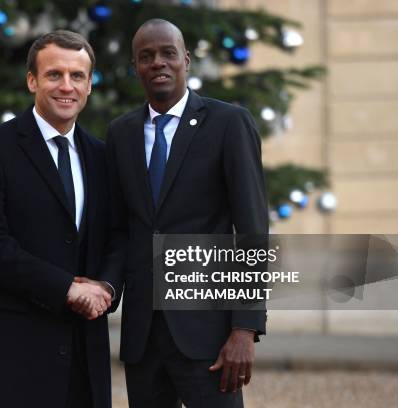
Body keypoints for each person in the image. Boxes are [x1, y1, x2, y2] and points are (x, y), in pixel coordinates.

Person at [100, 19, 268, 408]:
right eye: (146, 56)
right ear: (135, 67)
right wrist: (106, 289)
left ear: (186, 60)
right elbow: (121, 229)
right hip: (143, 337)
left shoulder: (228, 123)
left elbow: (252, 231)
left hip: (209, 334)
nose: (157, 62)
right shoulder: (121, 134)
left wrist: (245, 328)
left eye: (167, 53)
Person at [0, 30, 116, 408]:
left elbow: (117, 235)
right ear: (32, 80)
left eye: (77, 76)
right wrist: (66, 288)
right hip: (9, 353)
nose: (66, 86)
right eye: (54, 74)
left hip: (82, 355)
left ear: (90, 85)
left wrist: (106, 287)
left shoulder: (102, 157)